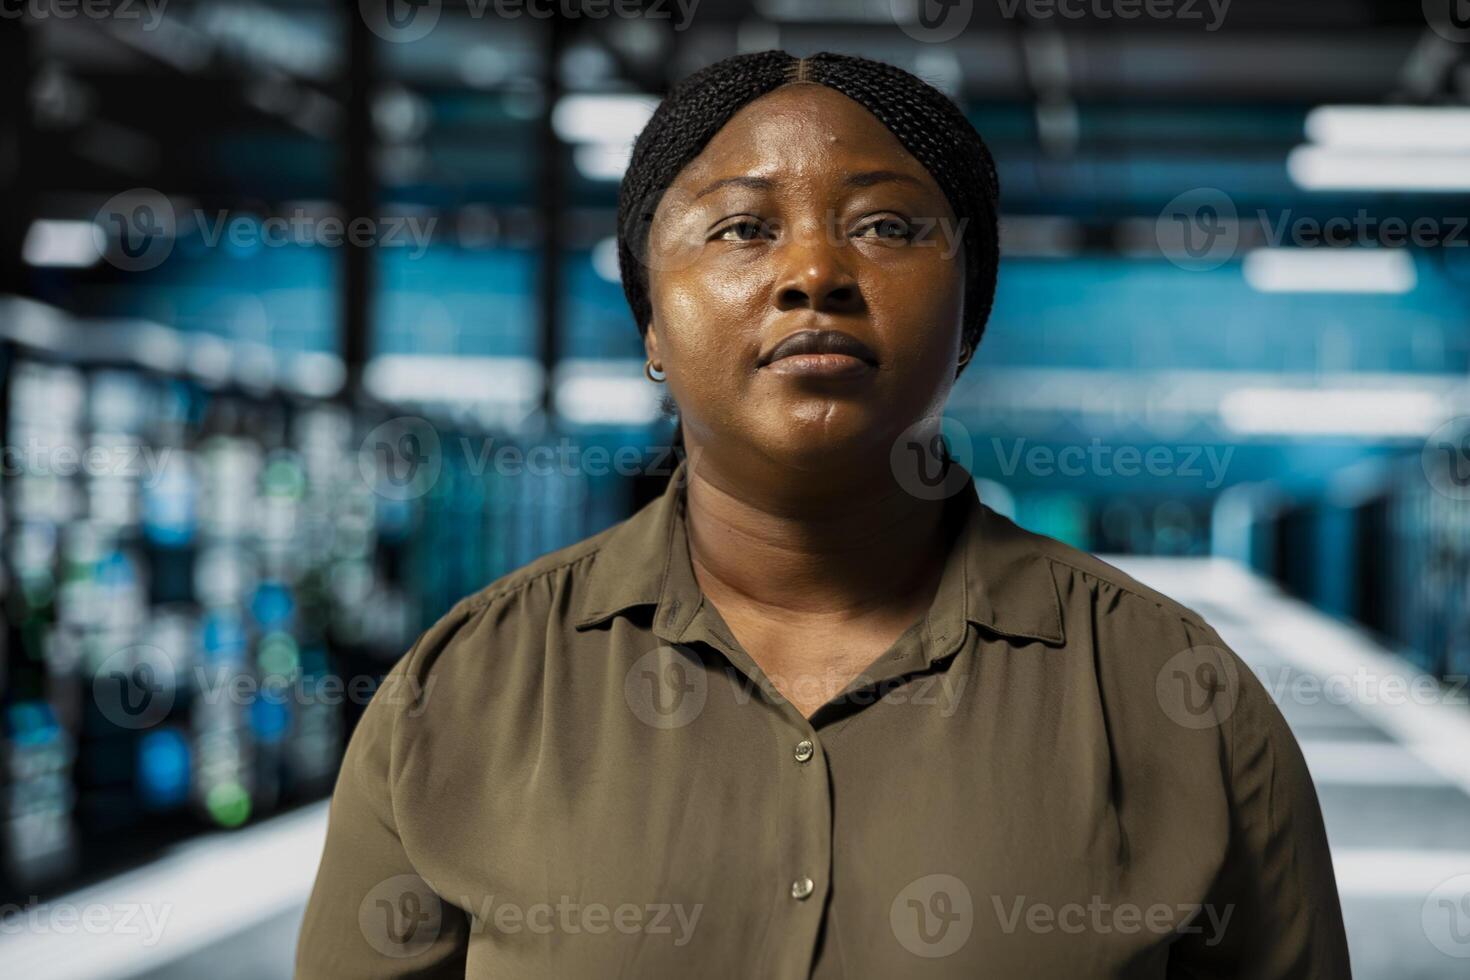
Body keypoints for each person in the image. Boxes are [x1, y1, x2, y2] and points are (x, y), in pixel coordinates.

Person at [295, 50, 1350, 979]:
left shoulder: (1182, 699)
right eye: (743, 228)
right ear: (651, 320)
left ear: (969, 314)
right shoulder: (459, 694)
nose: (813, 275)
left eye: (886, 225)